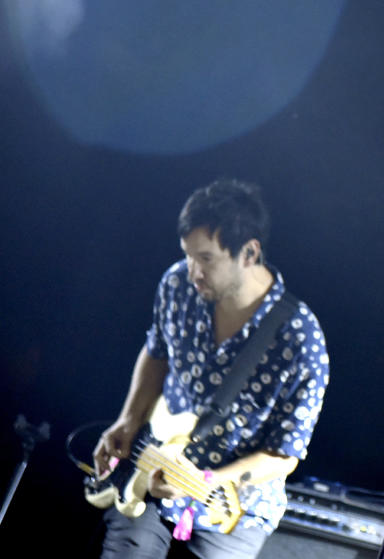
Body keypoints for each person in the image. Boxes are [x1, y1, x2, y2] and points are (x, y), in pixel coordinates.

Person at [92, 179, 330, 559]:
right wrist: (128, 420)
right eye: (188, 256)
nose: (192, 272)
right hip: (153, 469)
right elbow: (156, 353)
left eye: (206, 259)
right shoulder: (176, 285)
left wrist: (204, 482)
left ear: (249, 253)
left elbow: (285, 454)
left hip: (230, 504)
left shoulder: (300, 341)